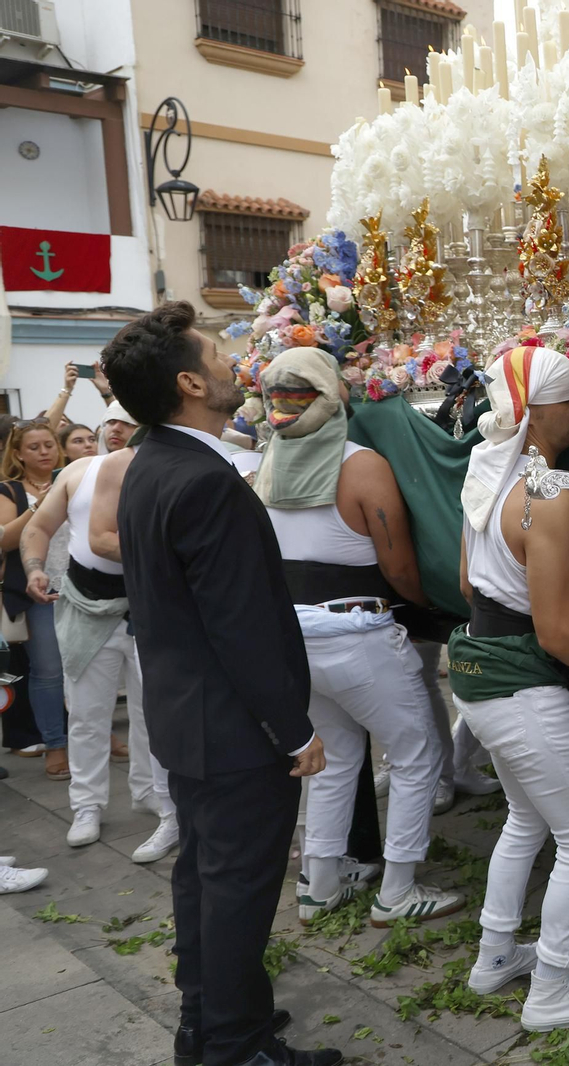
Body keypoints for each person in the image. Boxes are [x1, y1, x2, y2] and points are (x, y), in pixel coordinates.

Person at [100, 302, 339, 1066]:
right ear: (188, 382)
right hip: (230, 726)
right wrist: (293, 729)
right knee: (236, 888)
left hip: (186, 714)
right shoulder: (202, 477)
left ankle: (208, 1025)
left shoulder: (152, 459)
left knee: (206, 879)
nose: (234, 362)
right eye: (217, 353)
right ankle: (232, 1045)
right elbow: (241, 624)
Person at [449, 346, 569, 1029]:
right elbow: (558, 633)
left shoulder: (486, 471)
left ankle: (496, 955)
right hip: (522, 682)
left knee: (526, 818)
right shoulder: (543, 496)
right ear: (534, 412)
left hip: (478, 668)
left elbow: (469, 586)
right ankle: (553, 990)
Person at [251, 348, 457, 931]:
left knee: (336, 756)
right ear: (336, 394)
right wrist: (429, 602)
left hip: (294, 639)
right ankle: (399, 888)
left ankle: (319, 885)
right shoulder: (362, 466)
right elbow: (398, 568)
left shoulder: (262, 466)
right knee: (417, 754)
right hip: (358, 632)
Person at [19, 441, 175, 861]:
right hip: (88, 607)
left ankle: (156, 797)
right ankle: (86, 805)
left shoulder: (167, 467)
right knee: (87, 714)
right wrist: (34, 568)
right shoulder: (79, 471)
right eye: (113, 422)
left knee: (156, 712)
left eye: (128, 419)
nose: (120, 429)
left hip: (151, 605)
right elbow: (38, 528)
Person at [0, 418, 69, 781]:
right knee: (48, 672)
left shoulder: (74, 476)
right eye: (34, 447)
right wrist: (37, 506)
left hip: (82, 588)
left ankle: (100, 737)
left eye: (48, 445)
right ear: (18, 454)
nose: (44, 452)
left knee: (88, 670)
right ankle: (55, 746)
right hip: (39, 592)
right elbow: (5, 540)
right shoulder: (8, 490)